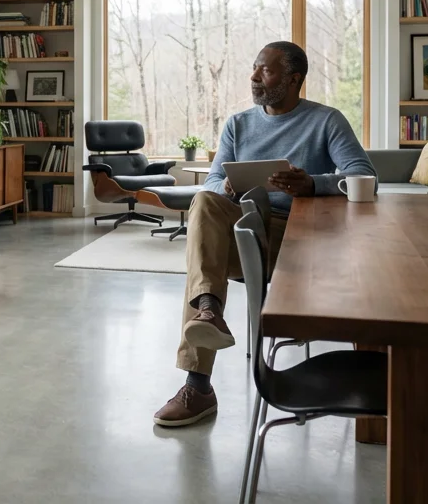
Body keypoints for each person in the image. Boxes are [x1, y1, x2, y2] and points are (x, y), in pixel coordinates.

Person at [153, 41, 375, 426]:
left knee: (207, 237)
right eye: (254, 69)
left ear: (293, 80)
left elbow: (366, 178)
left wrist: (312, 184)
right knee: (204, 203)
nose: (254, 77)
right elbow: (213, 179)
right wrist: (224, 186)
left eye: (265, 71)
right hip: (250, 235)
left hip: (303, 243)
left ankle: (199, 378)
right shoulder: (238, 124)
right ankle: (207, 326)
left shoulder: (327, 121)